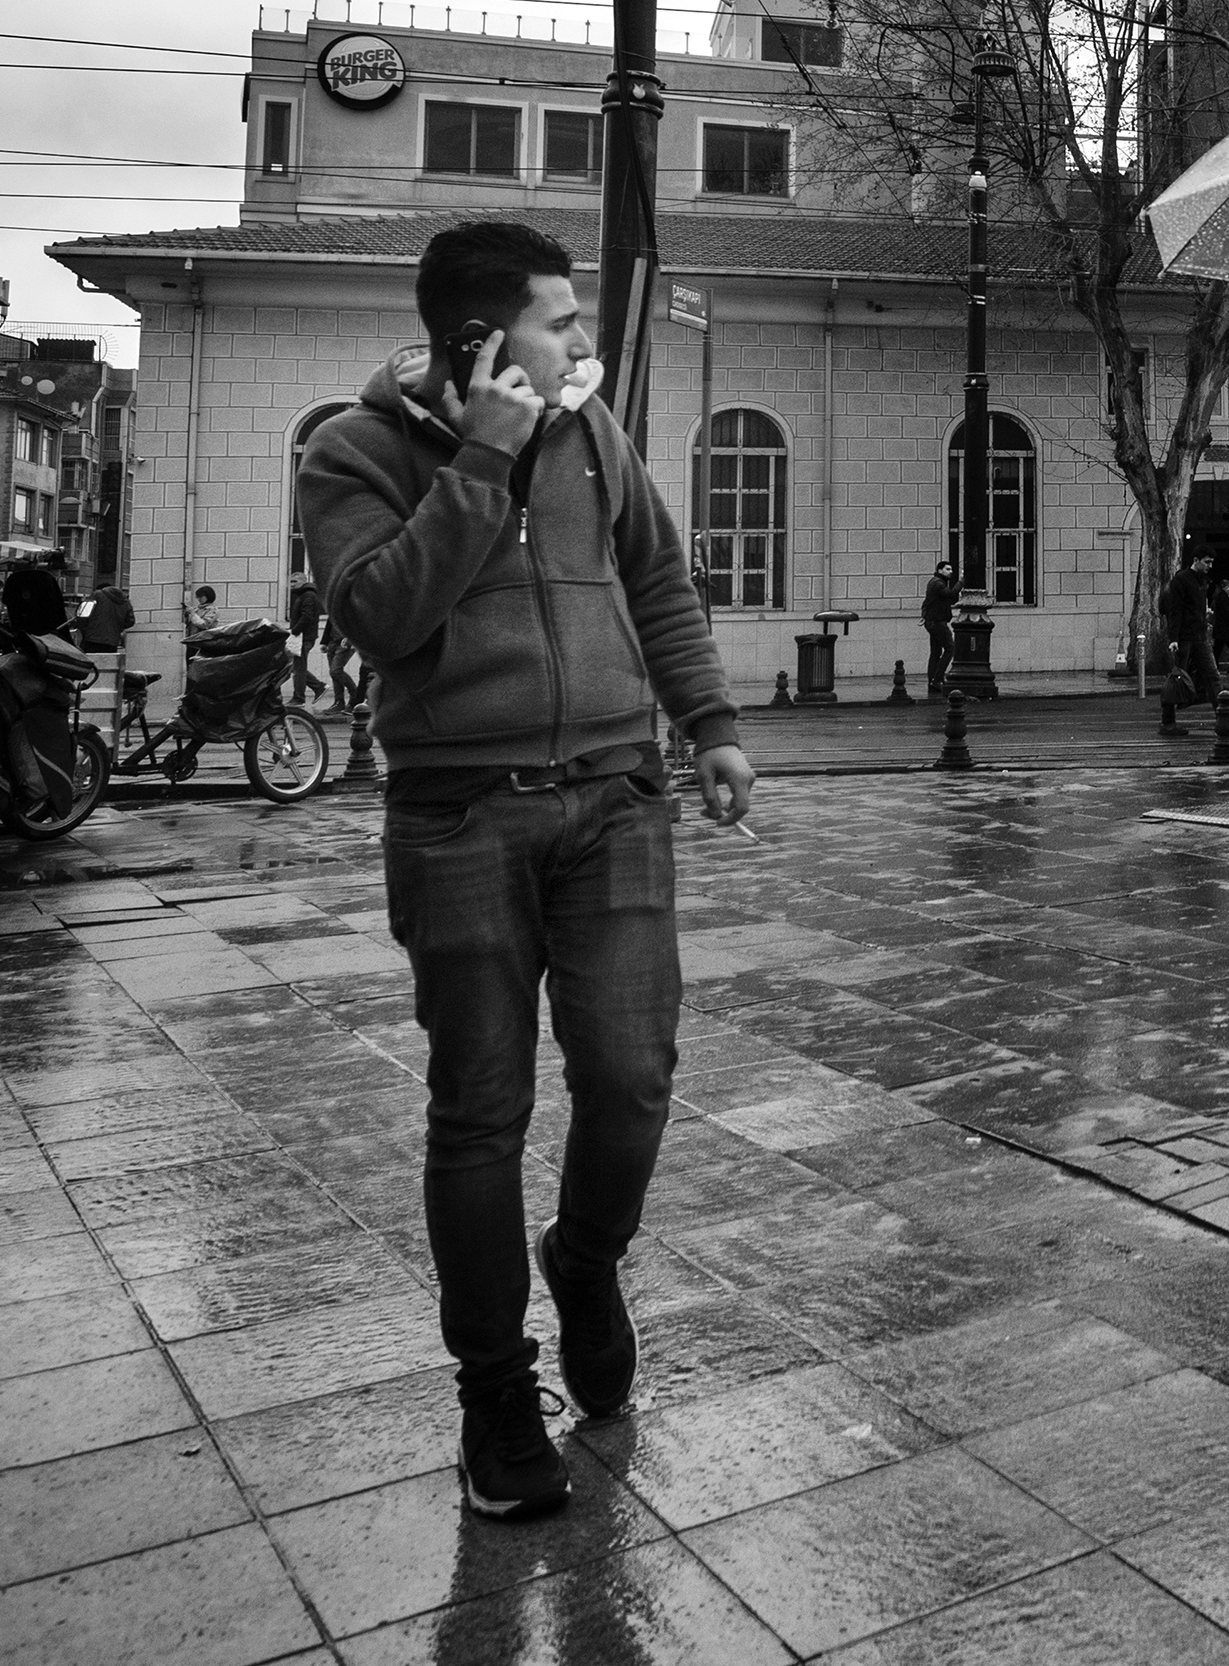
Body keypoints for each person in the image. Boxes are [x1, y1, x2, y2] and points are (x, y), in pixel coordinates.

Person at [298, 220, 753, 1522]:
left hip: (614, 797)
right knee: (480, 1109)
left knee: (632, 1074)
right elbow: (382, 612)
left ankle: (587, 1257)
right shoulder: (351, 450)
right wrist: (485, 456)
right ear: (478, 339)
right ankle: (495, 1388)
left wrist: (709, 723)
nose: (580, 341)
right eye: (559, 321)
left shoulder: (592, 431)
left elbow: (656, 574)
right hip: (458, 817)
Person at [1158, 547, 1220, 736]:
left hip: (1199, 636)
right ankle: (1167, 722)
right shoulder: (1182, 580)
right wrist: (1174, 638)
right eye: (1207, 562)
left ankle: (1224, 715)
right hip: (1185, 637)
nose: (1210, 566)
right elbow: (1175, 610)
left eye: (1211, 562)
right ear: (1196, 560)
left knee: (1212, 676)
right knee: (1176, 678)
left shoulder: (1201, 580)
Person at [286, 571, 327, 705]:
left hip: (303, 637)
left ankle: (299, 698)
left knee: (298, 668)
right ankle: (318, 686)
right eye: (291, 582)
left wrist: (294, 631)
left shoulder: (307, 596)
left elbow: (307, 616)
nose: (292, 585)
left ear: (303, 581)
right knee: (297, 666)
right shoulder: (304, 595)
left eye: (295, 581)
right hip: (304, 636)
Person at [921, 559, 958, 693]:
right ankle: (937, 679)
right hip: (938, 622)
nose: (951, 572)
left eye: (951, 569)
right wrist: (960, 583)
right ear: (940, 570)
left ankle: (933, 681)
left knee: (936, 652)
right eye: (947, 569)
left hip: (932, 621)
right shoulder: (938, 583)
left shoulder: (936, 582)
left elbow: (949, 599)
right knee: (950, 648)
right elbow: (951, 594)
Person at [324, 612, 371, 713]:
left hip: (345, 642)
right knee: (334, 673)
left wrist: (350, 638)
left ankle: (354, 692)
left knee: (335, 670)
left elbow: (356, 622)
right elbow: (330, 621)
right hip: (333, 640)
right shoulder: (335, 606)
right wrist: (324, 641)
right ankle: (339, 701)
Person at [75, 583, 135, 654]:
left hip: (92, 639)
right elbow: (130, 621)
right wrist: (117, 627)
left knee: (91, 659)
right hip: (112, 641)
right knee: (107, 660)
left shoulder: (96, 595)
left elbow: (83, 614)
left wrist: (85, 629)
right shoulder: (125, 601)